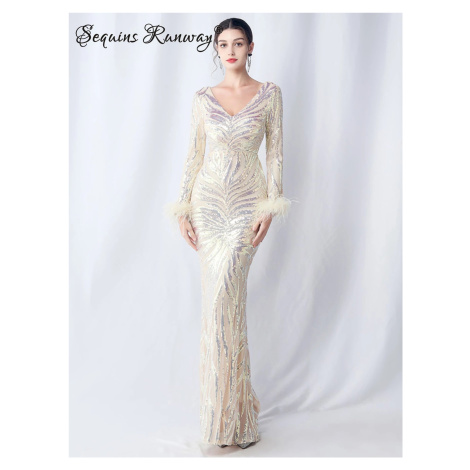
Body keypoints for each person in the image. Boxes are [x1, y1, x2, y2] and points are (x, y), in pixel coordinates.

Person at [165, 18, 292, 449]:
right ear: (216, 49)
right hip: (207, 207)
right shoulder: (203, 98)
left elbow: (275, 154)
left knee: (226, 302)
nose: (231, 50)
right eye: (223, 44)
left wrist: (271, 205)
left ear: (251, 47)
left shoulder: (270, 94)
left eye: (239, 43)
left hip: (246, 207)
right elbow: (193, 155)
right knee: (216, 306)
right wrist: (183, 208)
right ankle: (227, 415)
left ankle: (236, 413)